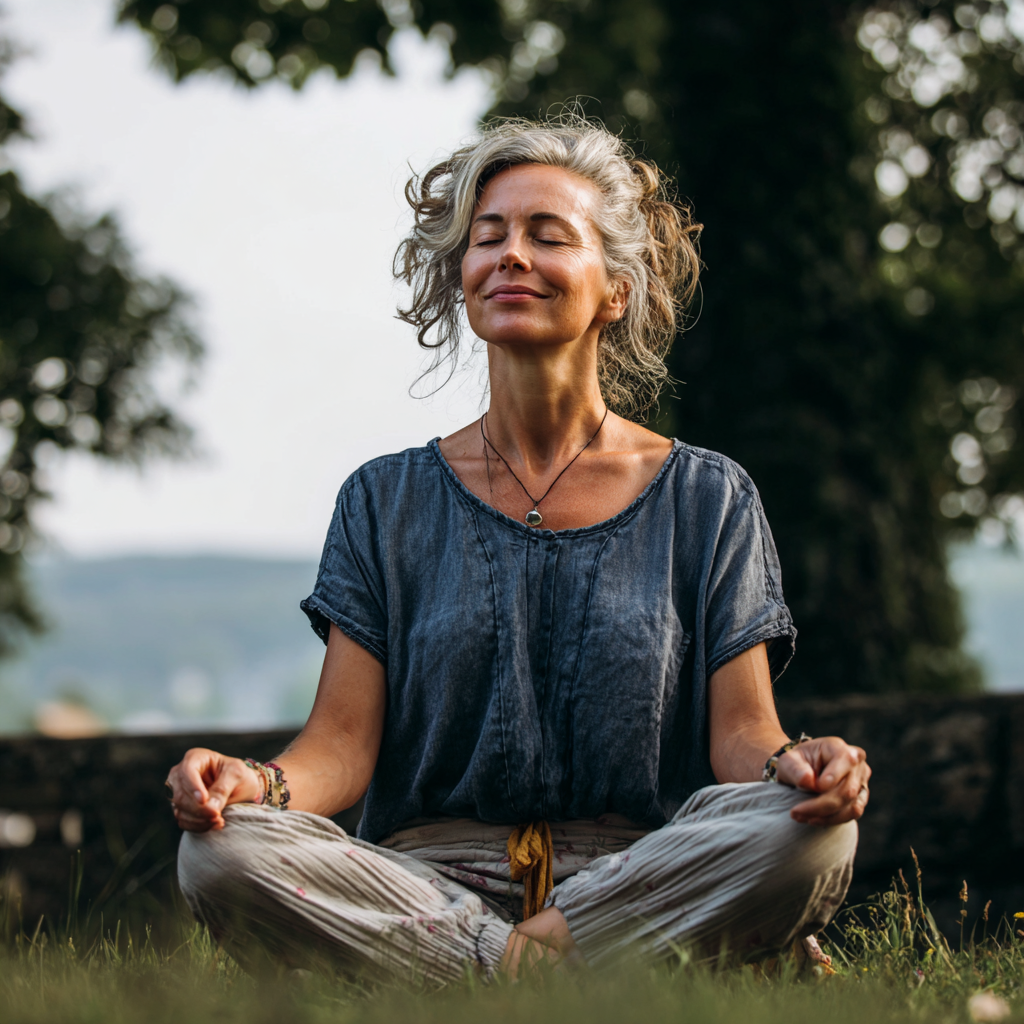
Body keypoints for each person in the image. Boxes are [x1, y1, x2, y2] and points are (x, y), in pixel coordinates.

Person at [165, 116, 870, 985]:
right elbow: (341, 747)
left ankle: (480, 973)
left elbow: (742, 737)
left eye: (548, 235)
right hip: (424, 880)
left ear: (614, 290)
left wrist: (795, 767)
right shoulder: (383, 499)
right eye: (487, 237)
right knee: (219, 856)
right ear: (463, 281)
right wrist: (252, 784)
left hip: (631, 872)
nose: (509, 256)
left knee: (810, 830)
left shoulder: (708, 495)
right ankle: (556, 969)